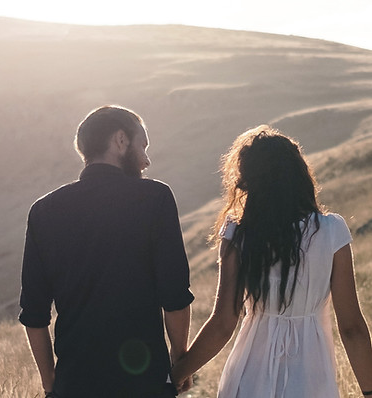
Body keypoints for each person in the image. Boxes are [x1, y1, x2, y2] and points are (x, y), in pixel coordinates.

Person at [171, 125, 372, 397]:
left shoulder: (239, 234)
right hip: (312, 378)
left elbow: (223, 323)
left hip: (249, 374)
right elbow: (352, 327)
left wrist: (178, 372)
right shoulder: (331, 231)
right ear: (299, 175)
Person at [19, 105, 194, 398]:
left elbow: (34, 316)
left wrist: (51, 384)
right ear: (121, 140)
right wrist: (180, 361)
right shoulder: (155, 199)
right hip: (144, 382)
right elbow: (174, 298)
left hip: (74, 384)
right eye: (143, 145)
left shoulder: (43, 211)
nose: (147, 159)